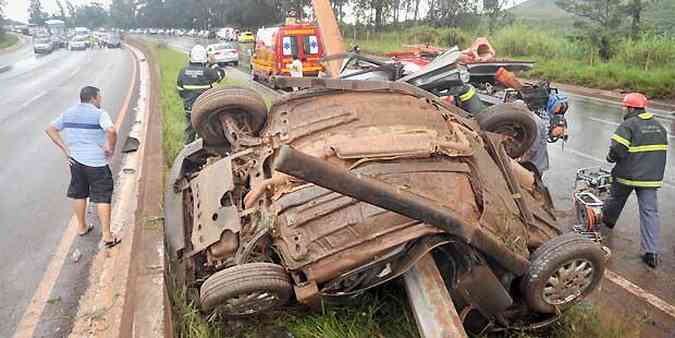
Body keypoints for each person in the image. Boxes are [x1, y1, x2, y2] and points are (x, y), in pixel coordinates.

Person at [45, 86, 121, 248]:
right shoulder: (100, 113)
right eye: (99, 97)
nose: (100, 100)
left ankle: (81, 227)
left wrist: (66, 150)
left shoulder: (69, 112)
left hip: (76, 162)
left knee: (79, 194)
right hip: (96, 162)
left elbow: (50, 129)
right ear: (93, 98)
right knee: (102, 195)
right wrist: (110, 147)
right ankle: (107, 235)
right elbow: (112, 130)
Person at [603, 93, 668, 268]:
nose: (624, 110)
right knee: (650, 213)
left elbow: (617, 149)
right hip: (650, 179)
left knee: (615, 199)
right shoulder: (659, 126)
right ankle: (651, 253)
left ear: (631, 108)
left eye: (625, 107)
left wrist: (611, 158)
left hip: (628, 175)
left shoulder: (628, 125)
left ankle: (605, 225)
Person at [176, 44, 225, 143]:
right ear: (205, 57)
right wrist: (213, 64)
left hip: (190, 109)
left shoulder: (182, 72)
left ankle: (187, 150)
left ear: (191, 56)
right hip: (205, 109)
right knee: (205, 132)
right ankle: (204, 151)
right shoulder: (207, 71)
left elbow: (180, 91)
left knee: (190, 130)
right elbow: (221, 75)